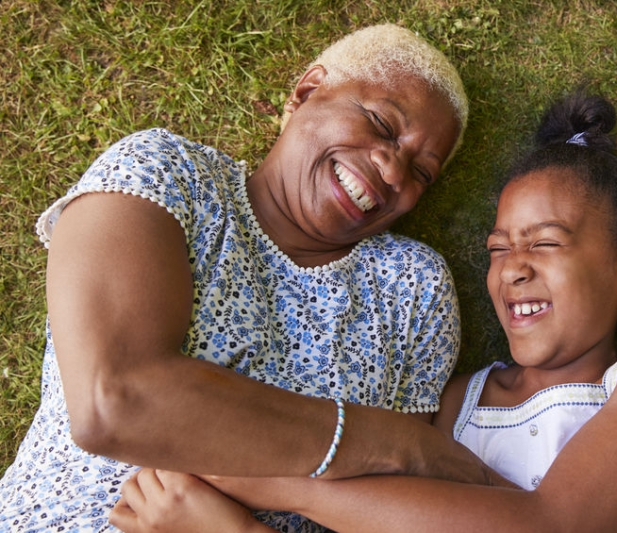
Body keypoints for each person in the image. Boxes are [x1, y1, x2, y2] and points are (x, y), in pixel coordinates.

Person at [109, 89, 617, 532]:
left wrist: (262, 483)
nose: (512, 267)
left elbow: (553, 523)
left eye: (544, 242)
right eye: (497, 249)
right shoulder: (459, 405)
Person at [0, 24, 507, 533]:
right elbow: (116, 400)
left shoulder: (414, 289)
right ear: (306, 92)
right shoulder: (167, 174)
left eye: (422, 172)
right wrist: (396, 443)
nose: (395, 172)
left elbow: (382, 514)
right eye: (381, 124)